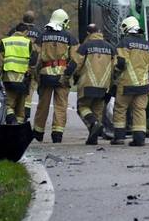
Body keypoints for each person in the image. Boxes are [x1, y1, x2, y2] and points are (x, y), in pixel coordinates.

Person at [64, 24, 115, 145]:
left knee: (82, 107)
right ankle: (93, 138)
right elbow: (116, 67)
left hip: (88, 84)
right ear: (99, 32)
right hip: (104, 86)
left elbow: (75, 64)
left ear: (88, 34)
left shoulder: (85, 46)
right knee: (97, 111)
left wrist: (66, 76)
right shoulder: (111, 48)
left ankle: (94, 124)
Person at [33, 9, 78, 143]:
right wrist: (69, 75)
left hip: (45, 75)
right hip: (62, 76)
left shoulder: (42, 36)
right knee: (60, 105)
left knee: (43, 105)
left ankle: (38, 132)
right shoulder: (70, 38)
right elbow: (75, 60)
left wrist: (36, 77)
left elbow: (35, 59)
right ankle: (57, 134)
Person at [111, 16, 149, 147]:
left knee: (120, 109)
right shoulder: (148, 45)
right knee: (140, 110)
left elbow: (120, 63)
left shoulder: (123, 43)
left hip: (126, 83)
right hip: (143, 84)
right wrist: (144, 72)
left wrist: (115, 73)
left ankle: (119, 137)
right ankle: (139, 138)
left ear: (126, 28)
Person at [0, 22, 36, 124]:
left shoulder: (5, 42)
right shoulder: (28, 43)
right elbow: (33, 62)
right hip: (23, 80)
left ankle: (11, 120)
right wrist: (32, 77)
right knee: (21, 108)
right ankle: (19, 128)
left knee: (8, 104)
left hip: (8, 78)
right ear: (25, 32)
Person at [7, 10, 42, 123]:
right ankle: (25, 114)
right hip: (31, 66)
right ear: (33, 19)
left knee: (13, 93)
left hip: (14, 66)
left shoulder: (14, 30)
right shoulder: (38, 32)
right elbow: (38, 52)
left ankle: (12, 114)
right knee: (29, 91)